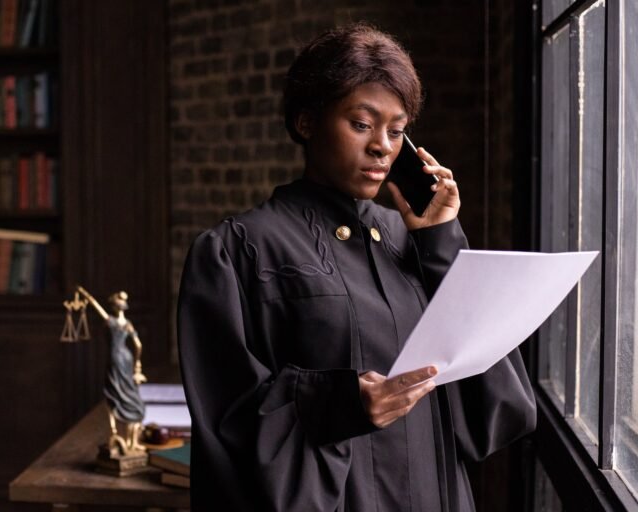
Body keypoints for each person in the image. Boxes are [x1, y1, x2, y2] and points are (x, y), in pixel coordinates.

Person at [177, 22, 536, 511]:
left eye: (397, 131)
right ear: (306, 122)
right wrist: (337, 402)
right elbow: (225, 419)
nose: (382, 147)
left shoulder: (415, 243)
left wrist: (443, 242)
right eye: (361, 124)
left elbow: (498, 404)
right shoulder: (236, 251)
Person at [77, 286, 148, 451]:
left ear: (115, 307)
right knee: (128, 389)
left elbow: (97, 308)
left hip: (115, 358)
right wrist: (137, 364)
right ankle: (127, 436)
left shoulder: (111, 321)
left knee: (112, 390)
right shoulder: (128, 324)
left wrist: (87, 296)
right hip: (127, 357)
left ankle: (115, 431)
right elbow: (138, 345)